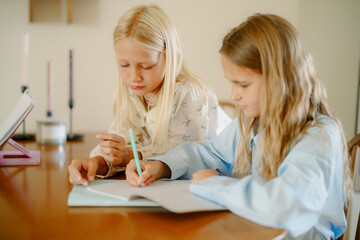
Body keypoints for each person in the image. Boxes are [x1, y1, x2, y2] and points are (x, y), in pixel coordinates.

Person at [126, 13, 353, 240]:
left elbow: (286, 205)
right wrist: (162, 166)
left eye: (243, 85)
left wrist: (214, 185)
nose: (234, 95)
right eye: (231, 83)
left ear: (281, 80)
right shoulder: (253, 123)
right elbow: (211, 154)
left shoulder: (319, 136)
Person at [68, 4, 231, 186]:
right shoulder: (129, 93)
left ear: (170, 57)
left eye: (146, 67)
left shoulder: (187, 93)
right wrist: (96, 163)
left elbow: (185, 155)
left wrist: (129, 156)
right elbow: (120, 145)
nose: (134, 77)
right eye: (123, 65)